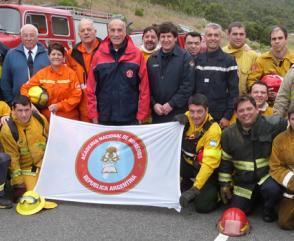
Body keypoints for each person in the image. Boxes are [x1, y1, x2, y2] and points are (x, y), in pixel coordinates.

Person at [219, 96, 287, 222]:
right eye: (241, 110)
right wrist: (225, 184)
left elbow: (291, 125)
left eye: (249, 109)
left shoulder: (273, 125)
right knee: (238, 211)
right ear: (236, 114)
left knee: (272, 190)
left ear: (257, 109)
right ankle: (255, 199)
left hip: (267, 177)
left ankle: (269, 209)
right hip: (244, 182)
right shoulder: (228, 134)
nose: (246, 113)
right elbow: (226, 161)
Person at [87, 19, 150, 125]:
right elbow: (90, 89)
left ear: (125, 32)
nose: (116, 34)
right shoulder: (98, 55)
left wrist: (141, 116)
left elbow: (144, 88)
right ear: (108, 32)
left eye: (120, 30)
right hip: (104, 118)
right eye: (113, 30)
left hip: (130, 118)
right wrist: (93, 115)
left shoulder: (137, 55)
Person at [176, 94, 221, 213]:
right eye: (192, 111)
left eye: (200, 112)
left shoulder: (213, 131)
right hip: (187, 163)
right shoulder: (186, 117)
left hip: (204, 168)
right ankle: (185, 181)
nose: (195, 116)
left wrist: (195, 189)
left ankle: (217, 194)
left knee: (202, 206)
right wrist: (174, 121)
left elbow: (209, 164)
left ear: (207, 110)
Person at [0, 95, 48, 202]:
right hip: (24, 168)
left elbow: (50, 141)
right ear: (13, 110)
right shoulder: (8, 129)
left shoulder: (41, 119)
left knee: (53, 189)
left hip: (42, 164)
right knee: (33, 197)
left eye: (27, 110)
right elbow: (13, 160)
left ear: (31, 108)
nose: (24, 114)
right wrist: (19, 185)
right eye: (20, 110)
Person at [147, 21, 194, 123]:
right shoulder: (152, 59)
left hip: (178, 114)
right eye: (163, 37)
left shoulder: (185, 58)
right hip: (157, 113)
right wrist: (154, 104)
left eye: (169, 36)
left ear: (175, 38)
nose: (166, 40)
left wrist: (172, 104)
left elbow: (187, 86)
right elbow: (147, 86)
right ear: (159, 38)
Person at [21, 43, 82, 121]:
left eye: (59, 54)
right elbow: (24, 88)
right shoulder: (42, 74)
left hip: (68, 118)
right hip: (47, 118)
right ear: (48, 57)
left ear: (63, 57)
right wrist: (30, 104)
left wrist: (59, 106)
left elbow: (76, 97)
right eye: (53, 54)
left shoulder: (71, 74)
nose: (56, 57)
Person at [194, 23, 239, 129]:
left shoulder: (229, 60)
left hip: (220, 115)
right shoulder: (197, 60)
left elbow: (233, 92)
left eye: (216, 35)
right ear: (204, 38)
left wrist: (227, 116)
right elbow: (192, 89)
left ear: (220, 38)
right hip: (198, 115)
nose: (213, 38)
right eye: (209, 35)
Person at [1, 24, 49, 104]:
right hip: (19, 105)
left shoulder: (47, 55)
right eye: (25, 36)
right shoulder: (11, 54)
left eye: (32, 35)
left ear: (37, 37)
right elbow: (5, 81)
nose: (28, 39)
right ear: (21, 37)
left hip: (43, 104)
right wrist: (11, 101)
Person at [67, 18, 101, 122]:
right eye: (82, 31)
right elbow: (69, 80)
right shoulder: (71, 54)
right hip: (83, 109)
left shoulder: (106, 50)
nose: (86, 33)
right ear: (79, 34)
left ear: (95, 31)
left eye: (89, 29)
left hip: (104, 106)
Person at [247, 26, 294, 98]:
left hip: (289, 104)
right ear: (270, 41)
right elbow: (251, 81)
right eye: (274, 39)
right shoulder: (261, 59)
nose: (277, 41)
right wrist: (263, 92)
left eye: (280, 38)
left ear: (286, 39)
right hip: (267, 103)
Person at [269, 107, 294, 230]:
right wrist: (292, 181)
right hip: (291, 187)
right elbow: (275, 167)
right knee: (285, 222)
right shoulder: (280, 139)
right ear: (289, 120)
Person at [223, 22, 257, 96]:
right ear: (228, 35)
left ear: (245, 36)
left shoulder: (253, 56)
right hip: (223, 101)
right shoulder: (221, 53)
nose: (238, 37)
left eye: (241, 34)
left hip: (245, 101)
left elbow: (255, 80)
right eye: (235, 34)